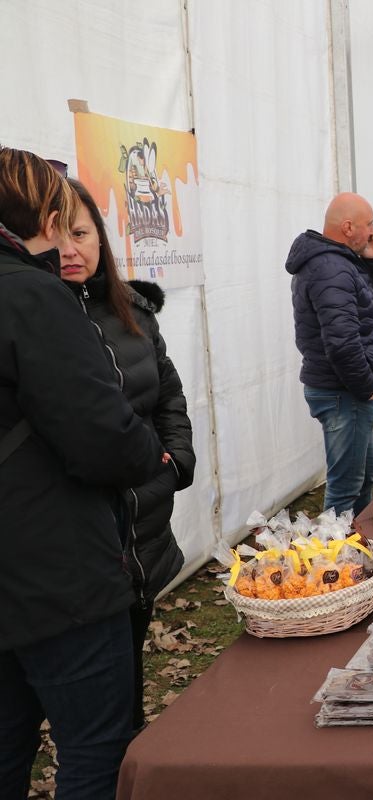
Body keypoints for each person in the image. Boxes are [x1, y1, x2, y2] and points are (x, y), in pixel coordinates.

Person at [0, 147, 163, 799]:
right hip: (56, 572)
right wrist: (147, 452)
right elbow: (103, 437)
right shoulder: (32, 295)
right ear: (43, 212)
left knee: (8, 745)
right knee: (97, 745)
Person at [62, 178, 195, 734]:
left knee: (129, 675)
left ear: (101, 238)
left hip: (145, 522)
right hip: (85, 539)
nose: (70, 249)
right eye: (56, 236)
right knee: (96, 707)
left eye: (81, 232)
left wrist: (177, 460)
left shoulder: (133, 311)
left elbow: (167, 393)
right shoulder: (41, 319)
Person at [286, 192, 373, 516]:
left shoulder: (337, 263)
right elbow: (342, 344)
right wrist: (367, 389)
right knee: (345, 486)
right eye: (368, 224)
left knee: (364, 476)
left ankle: (359, 547)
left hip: (345, 390)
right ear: (347, 227)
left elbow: (365, 301)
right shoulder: (330, 267)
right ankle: (338, 560)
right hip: (345, 392)